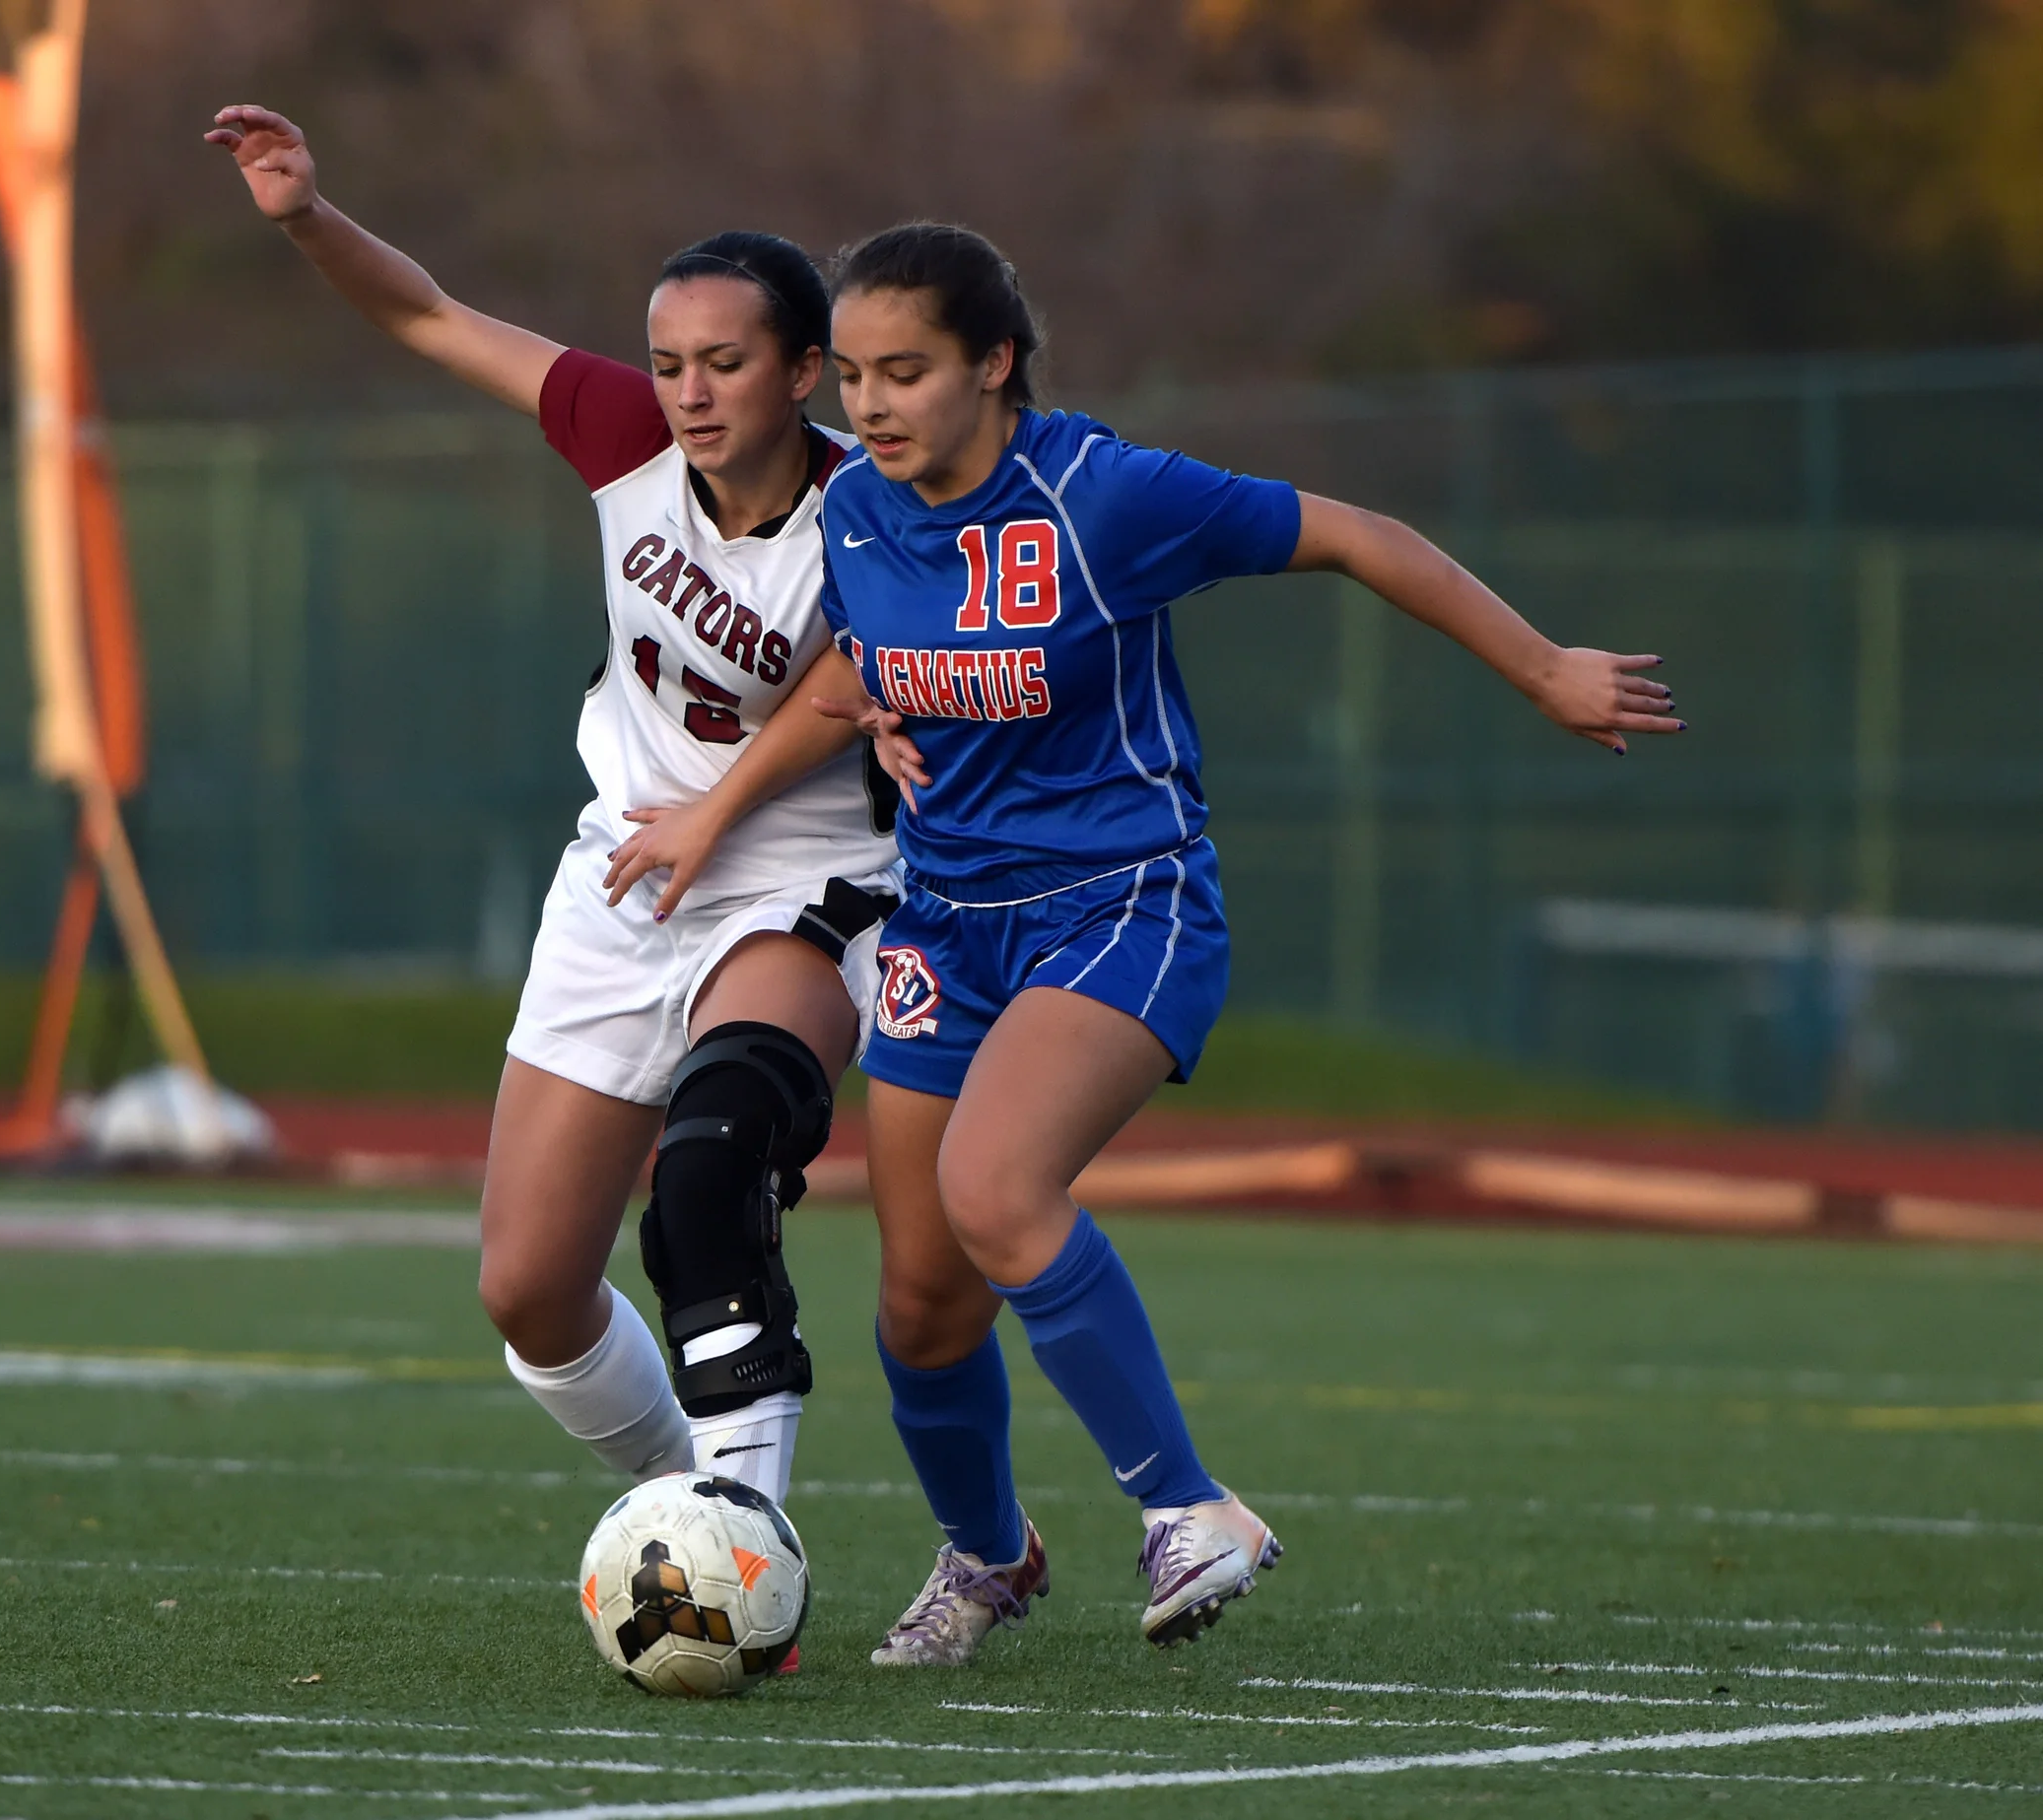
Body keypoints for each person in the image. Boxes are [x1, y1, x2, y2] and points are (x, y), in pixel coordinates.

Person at [664, 221, 1681, 1665]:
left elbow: (1354, 534)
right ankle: (986, 1557)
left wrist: (1543, 668)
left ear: (994, 364)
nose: (873, 405)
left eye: (909, 372)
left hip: (1122, 901)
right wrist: (858, 719)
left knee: (996, 1188)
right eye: (860, 376)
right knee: (921, 1304)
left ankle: (1191, 1507)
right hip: (945, 922)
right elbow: (864, 659)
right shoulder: (857, 511)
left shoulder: (1107, 492)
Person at [204, 107, 900, 1529]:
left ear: (803, 370)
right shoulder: (623, 433)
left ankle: (746, 1521)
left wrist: (715, 816)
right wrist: (306, 216)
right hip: (630, 869)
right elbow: (428, 315)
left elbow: (852, 685)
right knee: (527, 1289)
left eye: (726, 362)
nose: (689, 391)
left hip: (804, 870)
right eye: (669, 361)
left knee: (715, 1153)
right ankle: (687, 1509)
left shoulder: (877, 506)